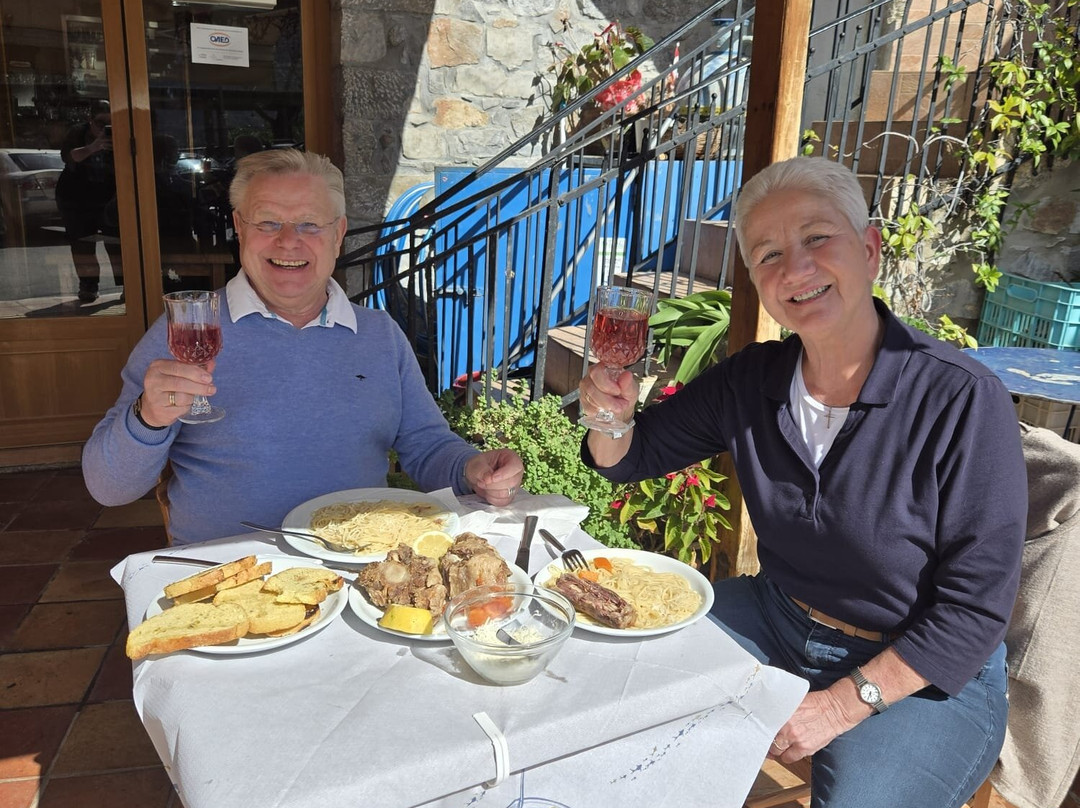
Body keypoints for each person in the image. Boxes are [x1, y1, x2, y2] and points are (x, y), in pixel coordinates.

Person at [578, 157, 1026, 808]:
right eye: (769, 254)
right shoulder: (752, 380)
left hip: (919, 672)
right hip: (775, 619)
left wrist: (839, 706)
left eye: (817, 237)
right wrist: (610, 415)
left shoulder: (960, 398)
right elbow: (630, 456)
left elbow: (975, 611)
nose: (795, 269)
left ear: (869, 250)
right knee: (610, 684)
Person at [83, 149, 523, 545]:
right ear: (239, 228)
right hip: (228, 578)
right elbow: (108, 488)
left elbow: (426, 445)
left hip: (358, 567)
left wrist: (472, 469)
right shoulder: (186, 332)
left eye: (310, 224)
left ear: (338, 233)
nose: (288, 240)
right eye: (268, 222)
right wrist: (148, 418)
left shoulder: (379, 334)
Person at [55, 100, 123, 303]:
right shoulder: (78, 132)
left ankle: (128, 284)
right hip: (77, 197)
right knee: (82, 243)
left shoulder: (120, 133)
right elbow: (69, 156)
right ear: (90, 120)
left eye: (110, 123)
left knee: (117, 242)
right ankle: (88, 285)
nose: (105, 128)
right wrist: (93, 147)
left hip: (109, 196)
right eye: (101, 123)